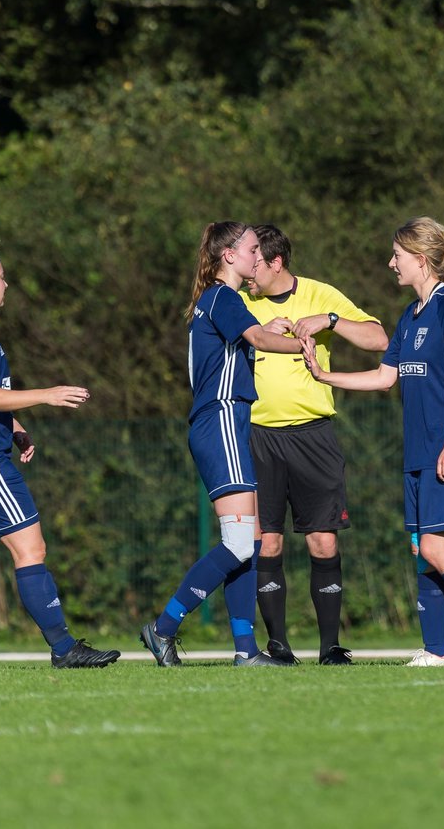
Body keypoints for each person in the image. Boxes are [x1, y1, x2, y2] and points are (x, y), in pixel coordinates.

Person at [303, 216, 444, 667]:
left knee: (439, 547)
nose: (390, 263)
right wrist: (325, 375)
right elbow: (386, 377)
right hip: (419, 452)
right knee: (423, 549)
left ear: (421, 261)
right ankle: (436, 650)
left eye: (397, 256)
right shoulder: (410, 315)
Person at [0, 245, 120, 670]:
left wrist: (13, 428)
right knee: (31, 547)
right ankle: (65, 648)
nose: (8, 284)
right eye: (4, 276)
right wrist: (47, 395)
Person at [140, 221, 309, 667]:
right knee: (237, 544)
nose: (259, 256)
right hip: (221, 423)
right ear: (229, 256)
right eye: (253, 248)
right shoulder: (223, 297)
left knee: (248, 539)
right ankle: (164, 627)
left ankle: (244, 650)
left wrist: (267, 327)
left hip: (223, 423)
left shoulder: (216, 301)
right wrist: (301, 347)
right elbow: (255, 339)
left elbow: (245, 337)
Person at [241, 224, 389, 665]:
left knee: (323, 542)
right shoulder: (239, 301)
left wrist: (331, 321)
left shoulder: (321, 294)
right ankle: (278, 645)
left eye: (255, 264)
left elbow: (379, 339)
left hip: (313, 434)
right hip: (256, 437)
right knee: (266, 543)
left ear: (276, 263)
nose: (248, 272)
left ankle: (330, 647)